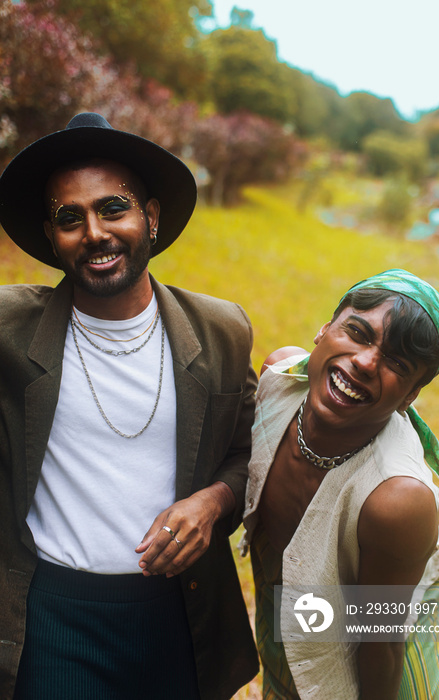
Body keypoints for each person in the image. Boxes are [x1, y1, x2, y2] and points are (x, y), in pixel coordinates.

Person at [0, 112, 259, 700]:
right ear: (50, 235)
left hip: (178, 615)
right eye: (71, 218)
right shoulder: (10, 329)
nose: (94, 232)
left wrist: (214, 502)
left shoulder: (219, 330)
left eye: (113, 208)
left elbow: (253, 452)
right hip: (52, 617)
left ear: (151, 216)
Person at [242, 269, 439, 700]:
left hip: (384, 632)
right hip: (297, 592)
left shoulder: (396, 499)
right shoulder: (279, 381)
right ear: (324, 329)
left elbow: (379, 639)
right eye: (357, 333)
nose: (365, 361)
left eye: (397, 363)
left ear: (409, 397)